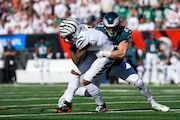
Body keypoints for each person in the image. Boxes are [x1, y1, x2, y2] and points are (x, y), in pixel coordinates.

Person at [70, 12, 169, 112]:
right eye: (108, 27)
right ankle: (71, 92)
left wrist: (104, 53)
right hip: (102, 67)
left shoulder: (124, 33)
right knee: (89, 92)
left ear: (118, 25)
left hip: (117, 65)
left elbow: (121, 53)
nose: (111, 30)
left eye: (113, 27)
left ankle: (154, 103)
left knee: (139, 82)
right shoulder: (98, 30)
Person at [55, 18, 114, 113]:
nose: (66, 39)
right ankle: (67, 103)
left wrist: (71, 47)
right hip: (95, 51)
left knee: (87, 81)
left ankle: (101, 105)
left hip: (106, 54)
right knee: (75, 73)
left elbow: (76, 60)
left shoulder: (82, 38)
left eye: (68, 36)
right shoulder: (81, 28)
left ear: (73, 33)